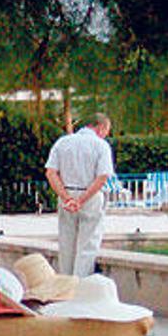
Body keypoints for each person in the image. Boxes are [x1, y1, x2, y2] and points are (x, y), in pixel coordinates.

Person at [45, 113, 114, 277]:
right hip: (90, 196)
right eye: (106, 131)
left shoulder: (62, 143)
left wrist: (66, 198)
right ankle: (80, 284)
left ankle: (66, 283)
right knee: (88, 244)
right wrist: (81, 200)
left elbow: (51, 172)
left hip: (66, 192)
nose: (106, 135)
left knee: (66, 244)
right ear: (100, 127)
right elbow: (102, 177)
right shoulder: (101, 145)